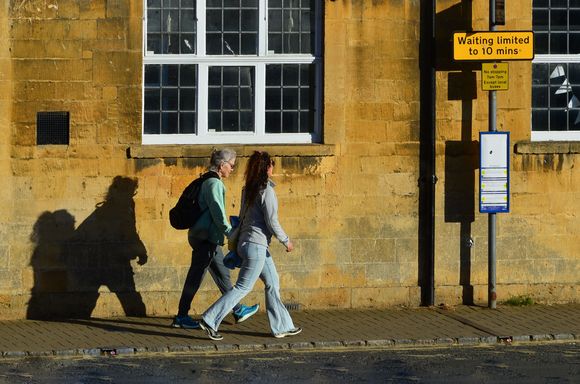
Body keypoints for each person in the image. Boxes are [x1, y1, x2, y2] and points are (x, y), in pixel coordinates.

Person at [199, 151, 301, 340]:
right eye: (271, 165)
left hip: (248, 244)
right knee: (242, 288)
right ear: (266, 168)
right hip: (256, 246)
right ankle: (209, 319)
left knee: (272, 283)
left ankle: (282, 326)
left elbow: (243, 216)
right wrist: (286, 240)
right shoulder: (266, 191)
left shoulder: (248, 189)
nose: (273, 168)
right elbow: (272, 221)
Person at [172, 148, 259, 329]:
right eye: (232, 166)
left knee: (222, 274)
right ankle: (181, 316)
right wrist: (230, 233)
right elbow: (218, 213)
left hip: (205, 237)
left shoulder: (207, 180)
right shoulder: (214, 184)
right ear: (222, 165)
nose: (232, 169)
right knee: (195, 277)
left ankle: (237, 309)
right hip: (205, 238)